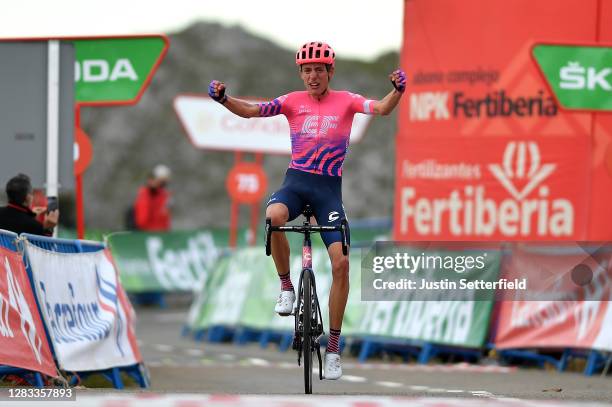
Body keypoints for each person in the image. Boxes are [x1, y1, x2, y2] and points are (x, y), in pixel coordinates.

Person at [208, 41, 406, 380]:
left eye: (318, 69)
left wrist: (398, 91)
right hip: (296, 184)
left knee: (341, 264)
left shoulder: (346, 100)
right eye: (306, 70)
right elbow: (251, 111)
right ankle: (286, 286)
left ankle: (332, 348)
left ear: (330, 71)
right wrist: (225, 99)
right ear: (301, 73)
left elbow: (382, 109)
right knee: (273, 218)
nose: (312, 75)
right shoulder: (290, 101)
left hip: (329, 191)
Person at [133, 164, 172, 232]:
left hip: (161, 234)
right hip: (146, 233)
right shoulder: (145, 195)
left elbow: (165, 219)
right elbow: (142, 220)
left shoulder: (164, 196)